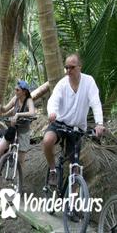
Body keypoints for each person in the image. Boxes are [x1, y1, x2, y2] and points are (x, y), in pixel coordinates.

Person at [42, 53, 105, 186]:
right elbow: (53, 100)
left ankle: (73, 203)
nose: (68, 71)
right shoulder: (62, 84)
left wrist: (99, 123)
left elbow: (95, 103)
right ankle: (53, 170)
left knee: (75, 169)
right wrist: (52, 112)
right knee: (47, 140)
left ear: (80, 67)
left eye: (72, 67)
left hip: (77, 128)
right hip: (59, 123)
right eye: (66, 68)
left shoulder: (89, 82)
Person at [0, 80, 36, 184]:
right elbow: (5, 109)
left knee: (21, 161)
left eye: (17, 90)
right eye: (15, 89)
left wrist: (19, 115)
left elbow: (32, 112)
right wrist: (0, 107)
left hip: (23, 132)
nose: (15, 91)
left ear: (24, 92)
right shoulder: (15, 99)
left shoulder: (28, 101)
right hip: (13, 130)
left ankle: (18, 183)